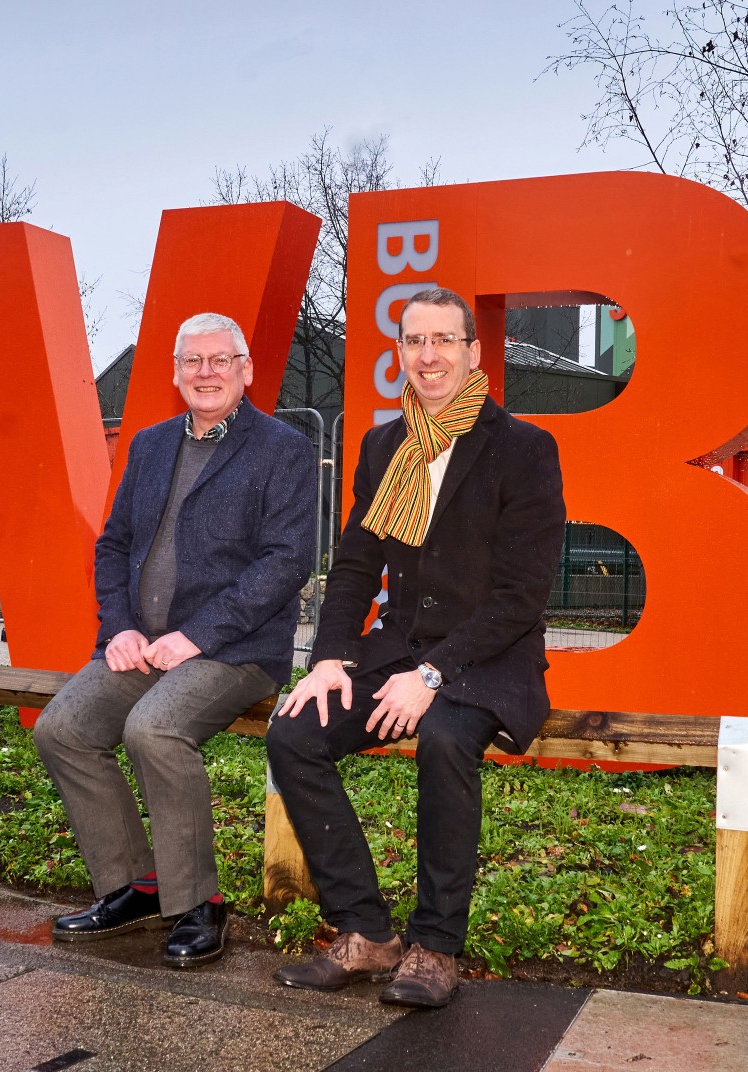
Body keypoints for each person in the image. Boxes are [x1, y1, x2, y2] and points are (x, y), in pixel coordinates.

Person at [267, 287, 566, 1008]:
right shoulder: (384, 444)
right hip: (396, 651)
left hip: (488, 659)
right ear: (400, 351)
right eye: (414, 341)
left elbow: (519, 597)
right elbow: (356, 563)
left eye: (443, 340)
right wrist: (333, 657)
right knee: (294, 734)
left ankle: (435, 945)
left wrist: (433, 673)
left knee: (441, 738)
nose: (427, 356)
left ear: (472, 351)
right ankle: (367, 931)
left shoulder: (523, 448)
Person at [33, 312, 316, 968]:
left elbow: (284, 563)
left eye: (222, 360)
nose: (207, 372)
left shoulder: (283, 450)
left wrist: (196, 635)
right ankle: (137, 886)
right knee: (63, 730)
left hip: (236, 649)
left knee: (153, 730)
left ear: (246, 371)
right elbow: (114, 547)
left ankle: (200, 904)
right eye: (194, 361)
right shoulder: (152, 444)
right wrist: (120, 628)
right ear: (175, 373)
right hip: (145, 643)